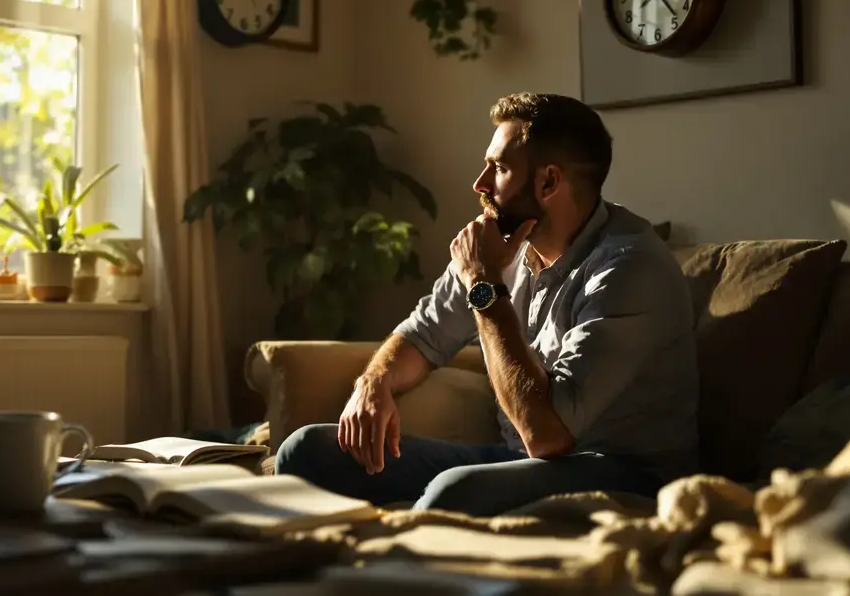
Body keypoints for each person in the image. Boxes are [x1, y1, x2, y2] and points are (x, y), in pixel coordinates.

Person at [275, 93, 699, 517]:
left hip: (620, 473)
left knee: (453, 491)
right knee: (305, 451)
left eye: (499, 168)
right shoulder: (506, 246)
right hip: (519, 461)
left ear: (549, 182)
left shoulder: (630, 268)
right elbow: (422, 333)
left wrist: (483, 283)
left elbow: (546, 435)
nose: (480, 184)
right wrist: (374, 383)